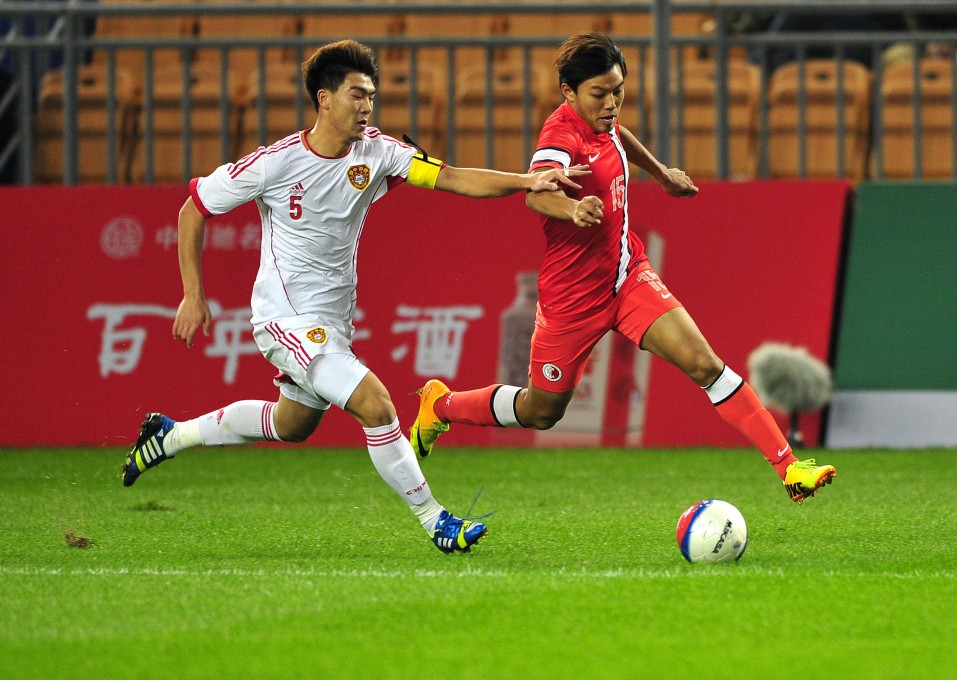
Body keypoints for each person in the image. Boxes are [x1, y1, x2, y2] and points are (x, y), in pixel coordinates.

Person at [121, 39, 587, 554]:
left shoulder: (379, 152)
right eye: (357, 95)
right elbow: (194, 209)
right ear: (324, 98)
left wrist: (527, 181)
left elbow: (450, 177)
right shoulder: (274, 164)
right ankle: (438, 522)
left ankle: (170, 436)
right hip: (286, 320)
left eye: (372, 96)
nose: (367, 106)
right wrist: (193, 294)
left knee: (290, 424)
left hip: (332, 322)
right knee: (378, 405)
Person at [411, 32, 836, 504]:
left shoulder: (604, 119)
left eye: (618, 90)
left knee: (705, 364)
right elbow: (538, 191)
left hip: (628, 275)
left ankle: (789, 467)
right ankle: (441, 405)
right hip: (572, 299)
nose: (612, 102)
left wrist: (661, 171)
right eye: (600, 93)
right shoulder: (559, 136)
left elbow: (619, 135)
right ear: (568, 93)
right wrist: (571, 210)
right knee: (541, 411)